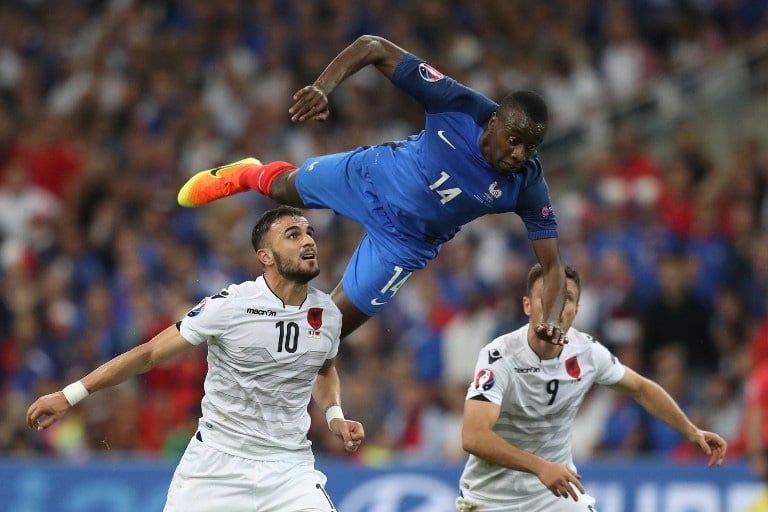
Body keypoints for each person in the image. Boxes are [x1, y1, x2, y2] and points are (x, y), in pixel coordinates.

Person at [177, 35, 568, 343]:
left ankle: (272, 357)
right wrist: (323, 87)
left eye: (530, 147)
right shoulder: (458, 103)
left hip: (404, 243)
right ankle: (246, 173)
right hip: (373, 176)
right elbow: (372, 47)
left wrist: (550, 320)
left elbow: (551, 267)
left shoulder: (527, 185)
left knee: (328, 333)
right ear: (495, 122)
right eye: (514, 140)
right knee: (281, 190)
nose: (519, 154)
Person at [27, 205, 365, 512]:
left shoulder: (328, 315)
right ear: (266, 255)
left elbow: (323, 371)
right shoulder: (231, 306)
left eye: (309, 234)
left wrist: (334, 415)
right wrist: (69, 394)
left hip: (289, 471)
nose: (308, 241)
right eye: (293, 235)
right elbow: (148, 354)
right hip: (216, 469)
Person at [457, 263, 727, 512]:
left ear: (576, 311)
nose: (556, 307)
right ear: (528, 306)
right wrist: (540, 467)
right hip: (492, 499)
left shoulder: (586, 351)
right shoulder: (499, 357)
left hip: (553, 496)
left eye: (567, 300)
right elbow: (474, 437)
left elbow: (641, 388)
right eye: (547, 297)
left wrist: (691, 431)